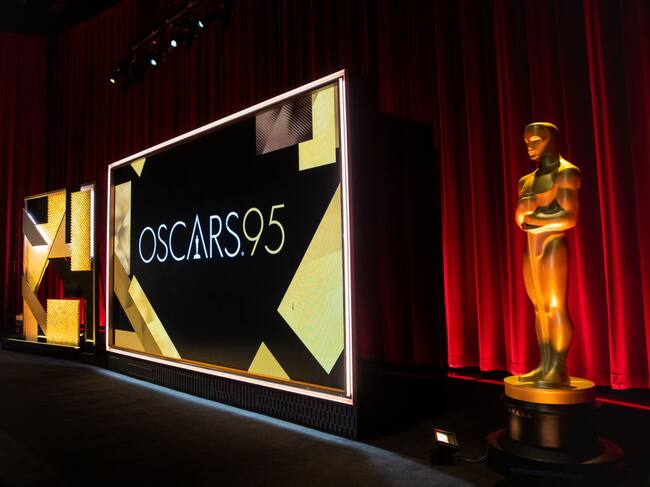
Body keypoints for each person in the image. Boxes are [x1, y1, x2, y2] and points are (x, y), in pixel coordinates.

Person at [515, 122, 581, 388]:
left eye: (535, 141)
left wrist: (533, 219)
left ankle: (558, 368)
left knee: (555, 307)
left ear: (550, 140)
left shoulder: (565, 173)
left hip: (552, 245)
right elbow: (520, 219)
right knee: (538, 307)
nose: (529, 147)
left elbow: (569, 217)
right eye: (526, 142)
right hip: (531, 247)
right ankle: (544, 365)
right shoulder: (526, 180)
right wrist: (525, 215)